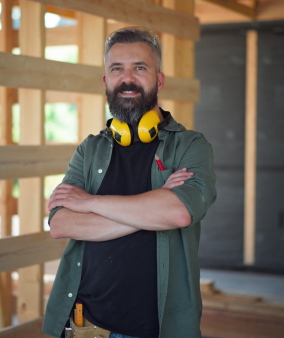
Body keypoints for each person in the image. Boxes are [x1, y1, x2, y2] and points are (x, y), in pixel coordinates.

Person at [42, 26, 217, 338]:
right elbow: (61, 224)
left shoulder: (190, 146)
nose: (127, 78)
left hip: (154, 330)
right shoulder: (90, 149)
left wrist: (90, 203)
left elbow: (178, 213)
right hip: (87, 325)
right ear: (106, 80)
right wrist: (155, 204)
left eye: (140, 67)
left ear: (159, 79)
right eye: (116, 68)